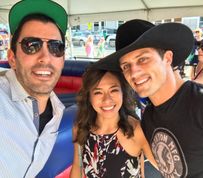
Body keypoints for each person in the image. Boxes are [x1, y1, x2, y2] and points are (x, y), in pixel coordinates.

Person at [92, 22, 203, 178]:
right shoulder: (149, 118)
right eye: (126, 66)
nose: (134, 72)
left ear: (168, 58)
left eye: (142, 59)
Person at [0, 0, 67, 177]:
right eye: (31, 45)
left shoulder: (58, 110)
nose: (45, 57)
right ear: (12, 58)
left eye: (55, 47)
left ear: (63, 59)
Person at [70, 66, 158, 178]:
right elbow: (78, 166)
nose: (107, 100)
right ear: (89, 97)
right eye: (98, 92)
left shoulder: (135, 130)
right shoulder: (80, 128)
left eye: (114, 90)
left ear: (123, 93)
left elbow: (167, 169)